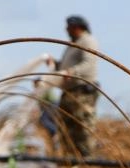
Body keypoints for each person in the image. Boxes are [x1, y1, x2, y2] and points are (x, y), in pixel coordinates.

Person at [47, 15, 99, 157]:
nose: (66, 30)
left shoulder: (87, 41)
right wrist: (56, 65)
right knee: (67, 127)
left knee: (82, 126)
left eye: (69, 27)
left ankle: (87, 159)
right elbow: (67, 66)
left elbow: (88, 64)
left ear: (77, 27)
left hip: (82, 92)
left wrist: (72, 71)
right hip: (69, 91)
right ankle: (71, 159)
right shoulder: (72, 44)